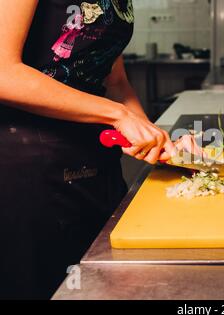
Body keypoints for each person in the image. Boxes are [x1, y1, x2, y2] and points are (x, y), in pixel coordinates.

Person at [0, 0, 196, 299]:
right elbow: (3, 73)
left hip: (96, 157)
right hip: (29, 166)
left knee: (107, 285)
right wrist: (118, 115)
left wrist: (156, 140)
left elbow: (115, 82)